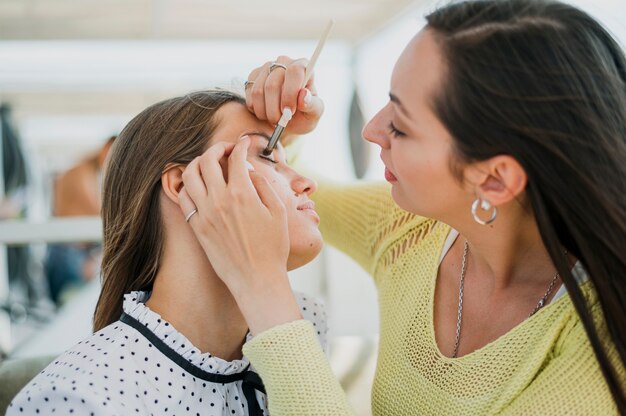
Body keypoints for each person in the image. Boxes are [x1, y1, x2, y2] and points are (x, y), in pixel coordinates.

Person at [178, 0, 626, 414]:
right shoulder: (408, 229)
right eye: (387, 103)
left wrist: (263, 288)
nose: (372, 130)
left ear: (494, 178)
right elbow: (294, 190)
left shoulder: (602, 357)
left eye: (402, 126)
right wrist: (282, 129)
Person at [7, 90, 327, 415]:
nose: (307, 182)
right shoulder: (79, 400)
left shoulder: (300, 331)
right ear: (182, 185)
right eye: (268, 154)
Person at [46, 135, 115, 305]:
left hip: (73, 252)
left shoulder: (87, 172)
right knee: (72, 307)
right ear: (105, 148)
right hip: (69, 253)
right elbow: (100, 211)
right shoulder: (80, 173)